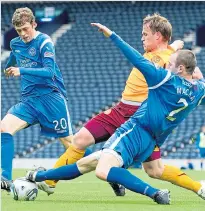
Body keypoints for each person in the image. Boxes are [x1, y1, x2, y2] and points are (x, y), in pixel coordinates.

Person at [26, 23, 205, 204]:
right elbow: (190, 75)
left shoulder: (164, 79)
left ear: (180, 68)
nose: (168, 66)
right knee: (90, 160)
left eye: (171, 64)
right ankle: (41, 176)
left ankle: (155, 193)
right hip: (149, 136)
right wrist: (194, 70)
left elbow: (137, 59)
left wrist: (112, 35)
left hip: (134, 128)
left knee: (105, 169)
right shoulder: (198, 90)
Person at [1, 7, 90, 183]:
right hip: (28, 101)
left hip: (51, 99)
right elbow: (14, 55)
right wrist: (8, 68)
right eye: (19, 31)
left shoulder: (44, 42)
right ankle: (5, 178)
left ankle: (108, 169)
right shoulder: (16, 43)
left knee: (72, 145)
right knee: (4, 128)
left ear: (34, 24)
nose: (23, 34)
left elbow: (49, 72)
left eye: (26, 29)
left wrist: (21, 70)